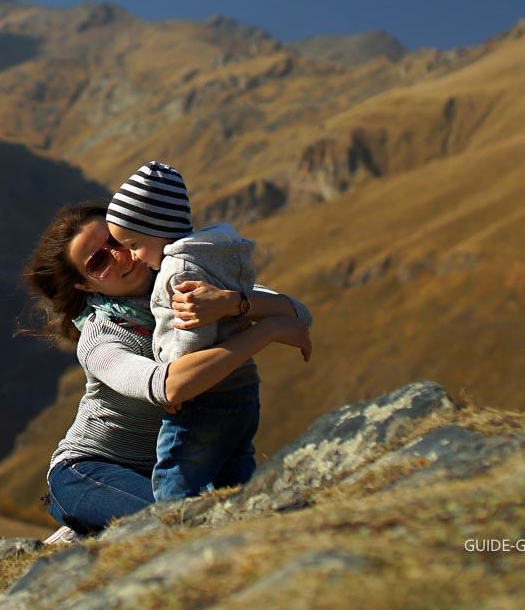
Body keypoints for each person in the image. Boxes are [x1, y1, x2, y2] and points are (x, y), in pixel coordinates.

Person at [23, 200, 312, 538]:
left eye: (115, 240)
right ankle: (83, 529)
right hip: (86, 470)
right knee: (182, 523)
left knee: (242, 519)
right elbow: (168, 388)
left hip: (168, 468)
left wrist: (231, 303)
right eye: (98, 262)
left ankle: (98, 529)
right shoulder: (99, 338)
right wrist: (266, 331)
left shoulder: (182, 280)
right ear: (85, 286)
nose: (119, 256)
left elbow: (297, 313)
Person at [105, 160, 284, 500]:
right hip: (243, 386)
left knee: (176, 474)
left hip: (204, 395)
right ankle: (250, 519)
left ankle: (176, 529)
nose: (133, 256)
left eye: (133, 244)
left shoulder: (178, 271)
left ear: (157, 228)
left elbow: (191, 335)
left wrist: (173, 372)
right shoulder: (214, 255)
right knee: (234, 466)